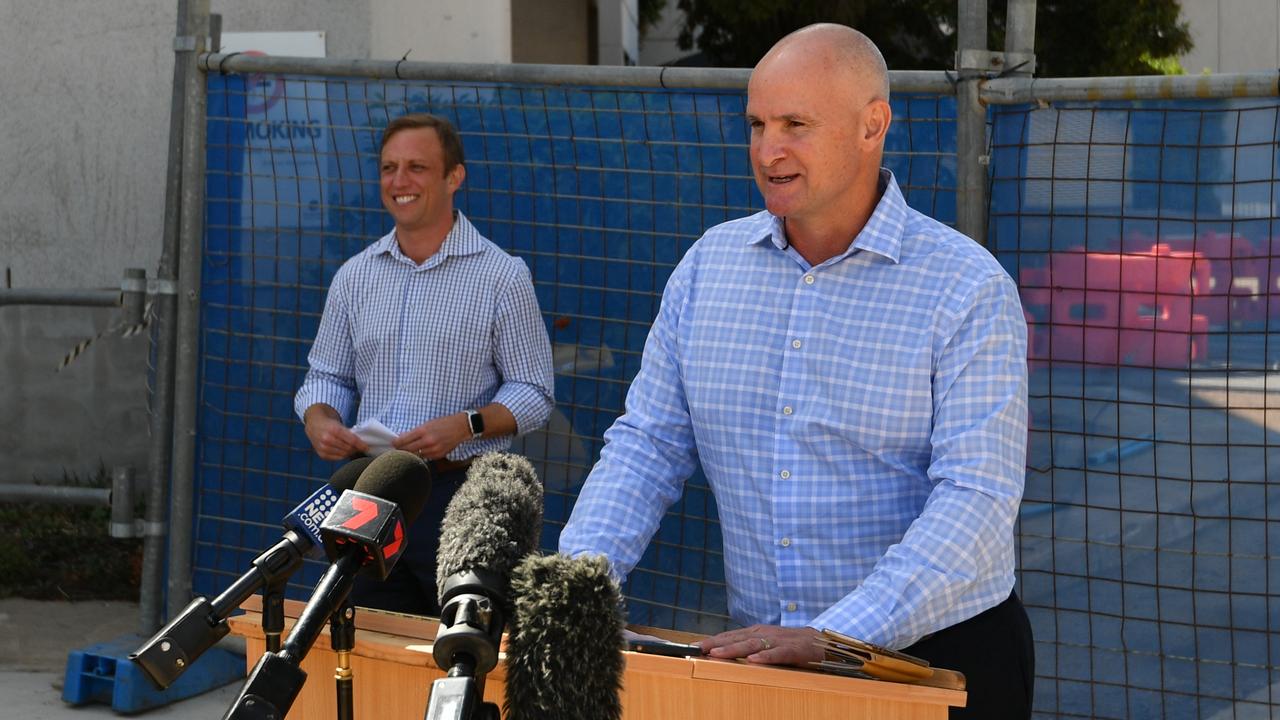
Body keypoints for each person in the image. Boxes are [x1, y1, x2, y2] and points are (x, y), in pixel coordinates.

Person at [558, 24, 1033, 719]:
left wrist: (835, 636)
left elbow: (976, 500)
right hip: (765, 665)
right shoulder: (707, 269)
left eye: (795, 125)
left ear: (873, 125)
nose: (767, 150)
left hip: (934, 663)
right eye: (756, 124)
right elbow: (648, 446)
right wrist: (577, 585)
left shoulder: (966, 288)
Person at [295, 113, 555, 615]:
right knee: (368, 641)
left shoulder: (502, 276)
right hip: (371, 488)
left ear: (453, 177)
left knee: (464, 647)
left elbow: (534, 391)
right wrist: (320, 419)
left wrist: (466, 425)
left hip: (462, 491)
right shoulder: (354, 277)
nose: (399, 181)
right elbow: (326, 376)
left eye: (416, 167)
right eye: (389, 167)